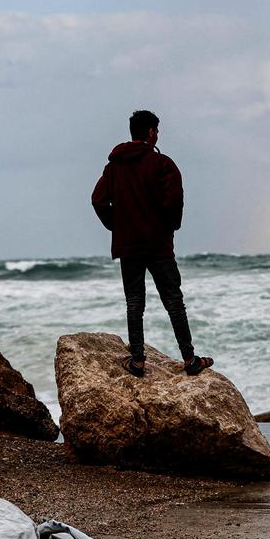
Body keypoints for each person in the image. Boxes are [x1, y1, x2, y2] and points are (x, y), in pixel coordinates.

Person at [91, 110, 214, 377]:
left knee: (134, 302)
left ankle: (137, 360)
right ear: (150, 132)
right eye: (156, 130)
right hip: (158, 245)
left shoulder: (114, 167)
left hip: (129, 245)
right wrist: (169, 227)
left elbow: (98, 200)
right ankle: (190, 359)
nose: (157, 134)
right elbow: (174, 201)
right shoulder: (162, 164)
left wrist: (118, 226)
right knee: (174, 301)